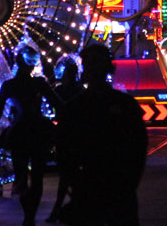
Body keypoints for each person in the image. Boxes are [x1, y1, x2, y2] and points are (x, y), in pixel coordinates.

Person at [56, 44, 147, 226]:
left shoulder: (76, 107)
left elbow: (64, 150)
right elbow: (139, 148)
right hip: (111, 185)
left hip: (97, 185)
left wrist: (72, 182)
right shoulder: (123, 104)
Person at [0, 44, 60, 226]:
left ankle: (29, 216)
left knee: (22, 177)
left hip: (20, 132)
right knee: (36, 177)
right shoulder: (38, 83)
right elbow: (59, 104)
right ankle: (30, 216)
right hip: (38, 131)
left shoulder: (11, 85)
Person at [46, 54, 86, 223]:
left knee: (65, 173)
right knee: (73, 172)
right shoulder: (82, 91)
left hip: (63, 135)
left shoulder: (59, 90)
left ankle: (61, 207)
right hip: (78, 135)